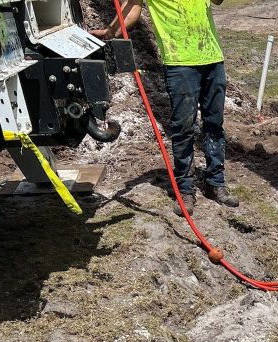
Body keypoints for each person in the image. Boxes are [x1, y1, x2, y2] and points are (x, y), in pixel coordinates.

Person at [91, 0, 239, 215]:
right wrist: (111, 32)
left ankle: (216, 182)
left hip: (213, 59)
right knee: (183, 127)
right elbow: (132, 8)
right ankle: (185, 189)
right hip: (180, 64)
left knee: (214, 124)